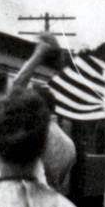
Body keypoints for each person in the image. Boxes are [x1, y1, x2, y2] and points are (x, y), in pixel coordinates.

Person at [10, 34, 76, 194]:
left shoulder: (33, 132)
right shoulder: (68, 144)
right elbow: (64, 186)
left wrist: (39, 54)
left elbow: (17, 85)